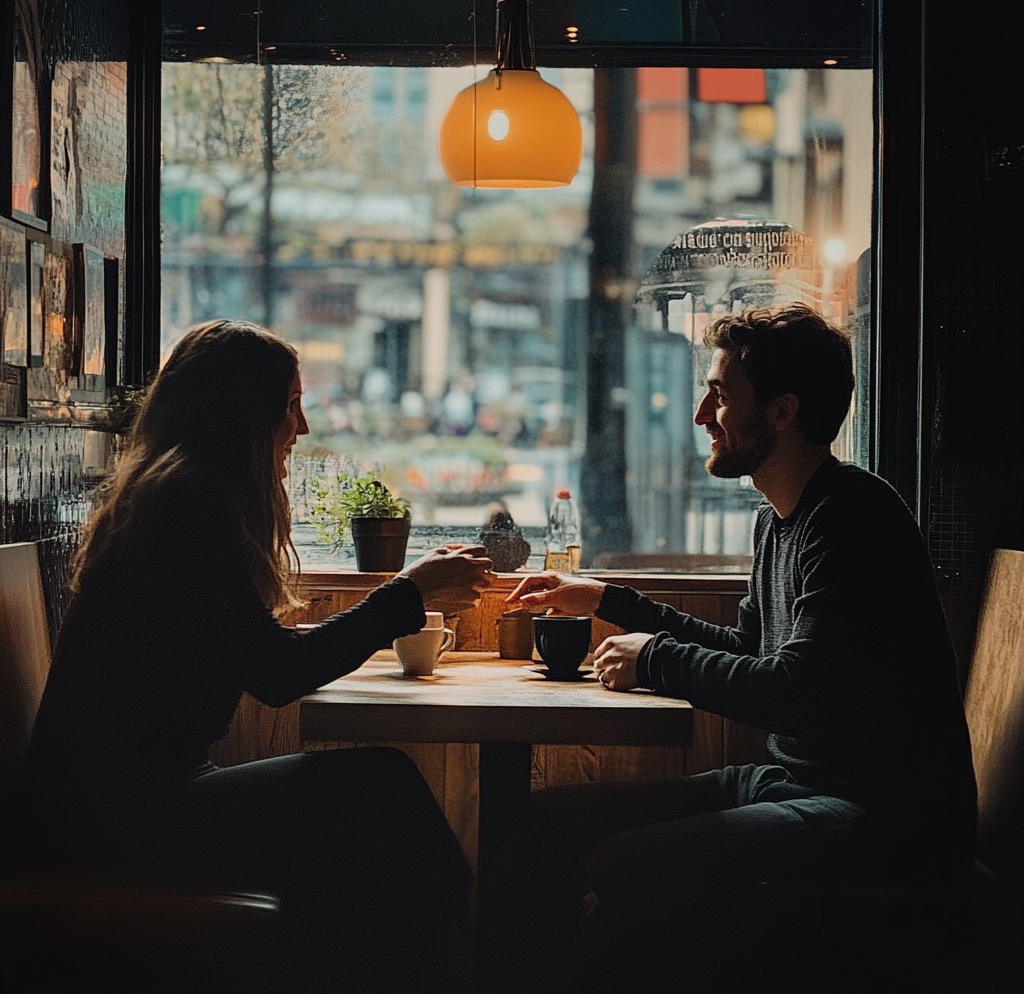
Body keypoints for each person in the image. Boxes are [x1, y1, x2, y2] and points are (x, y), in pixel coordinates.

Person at [506, 303, 977, 992]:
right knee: (543, 825)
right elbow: (751, 652)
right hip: (798, 786)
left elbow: (791, 690)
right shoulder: (780, 523)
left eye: (721, 394)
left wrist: (655, 659)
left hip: (886, 821)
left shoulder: (855, 517)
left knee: (627, 864)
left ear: (782, 412)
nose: (702, 412)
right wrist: (606, 599)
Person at [19, 319, 493, 993]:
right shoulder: (185, 505)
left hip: (116, 811)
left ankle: (454, 956)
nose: (299, 428)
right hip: (120, 826)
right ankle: (478, 954)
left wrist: (404, 597)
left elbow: (263, 658)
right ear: (245, 412)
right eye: (290, 404)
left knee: (369, 822)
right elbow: (279, 674)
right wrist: (408, 594)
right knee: (380, 793)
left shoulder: (169, 495)